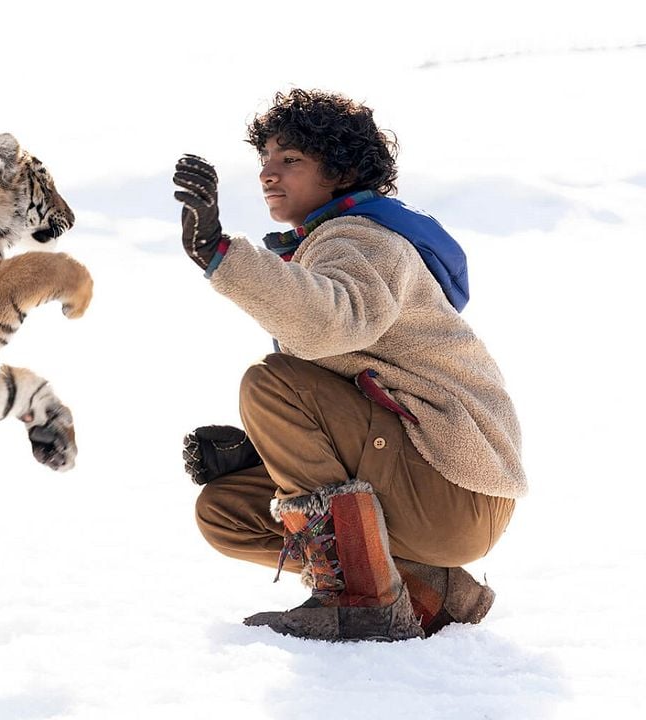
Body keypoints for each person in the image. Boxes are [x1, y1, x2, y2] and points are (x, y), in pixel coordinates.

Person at [173, 88, 526, 641]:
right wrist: (265, 456)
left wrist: (220, 252)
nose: (269, 174)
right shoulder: (328, 242)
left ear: (339, 170)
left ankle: (362, 599)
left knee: (271, 385)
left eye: (290, 161)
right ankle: (431, 587)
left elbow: (331, 322)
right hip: (432, 492)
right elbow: (352, 380)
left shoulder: (365, 239)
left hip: (455, 487)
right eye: (264, 160)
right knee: (224, 511)